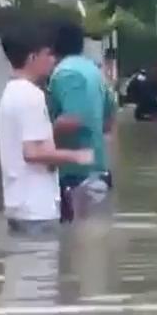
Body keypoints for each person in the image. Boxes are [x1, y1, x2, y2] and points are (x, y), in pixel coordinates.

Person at [0, 22, 94, 236]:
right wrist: (77, 156)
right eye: (48, 54)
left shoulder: (11, 92)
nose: (53, 60)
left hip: (18, 203)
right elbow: (33, 153)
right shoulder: (32, 96)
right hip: (37, 208)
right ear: (33, 58)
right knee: (41, 257)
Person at [48, 21, 114, 223]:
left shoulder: (65, 73)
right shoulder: (95, 71)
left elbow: (73, 119)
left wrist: (44, 143)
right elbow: (109, 121)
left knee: (74, 235)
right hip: (98, 169)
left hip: (75, 176)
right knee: (89, 236)